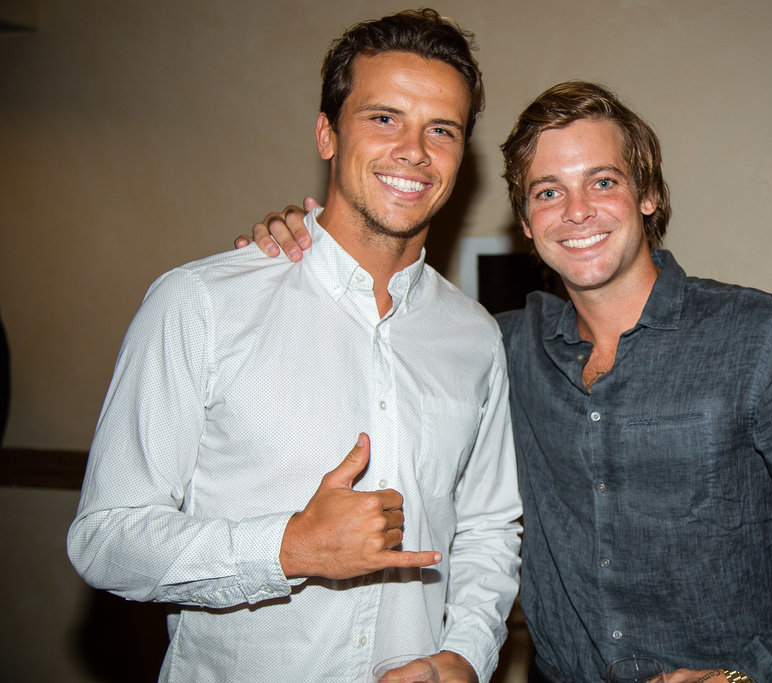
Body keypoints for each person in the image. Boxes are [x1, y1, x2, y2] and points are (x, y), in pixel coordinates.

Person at [248, 82, 772, 682]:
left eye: (602, 182)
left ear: (647, 194)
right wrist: (303, 246)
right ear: (526, 218)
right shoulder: (496, 346)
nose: (575, 211)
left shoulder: (767, 340)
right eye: (547, 191)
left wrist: (759, 675)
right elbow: (385, 324)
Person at [67, 9, 521, 683]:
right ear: (327, 133)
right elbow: (106, 540)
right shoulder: (200, 304)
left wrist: (467, 655)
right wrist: (288, 546)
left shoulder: (476, 337)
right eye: (384, 117)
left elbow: (487, 529)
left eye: (442, 129)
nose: (414, 150)